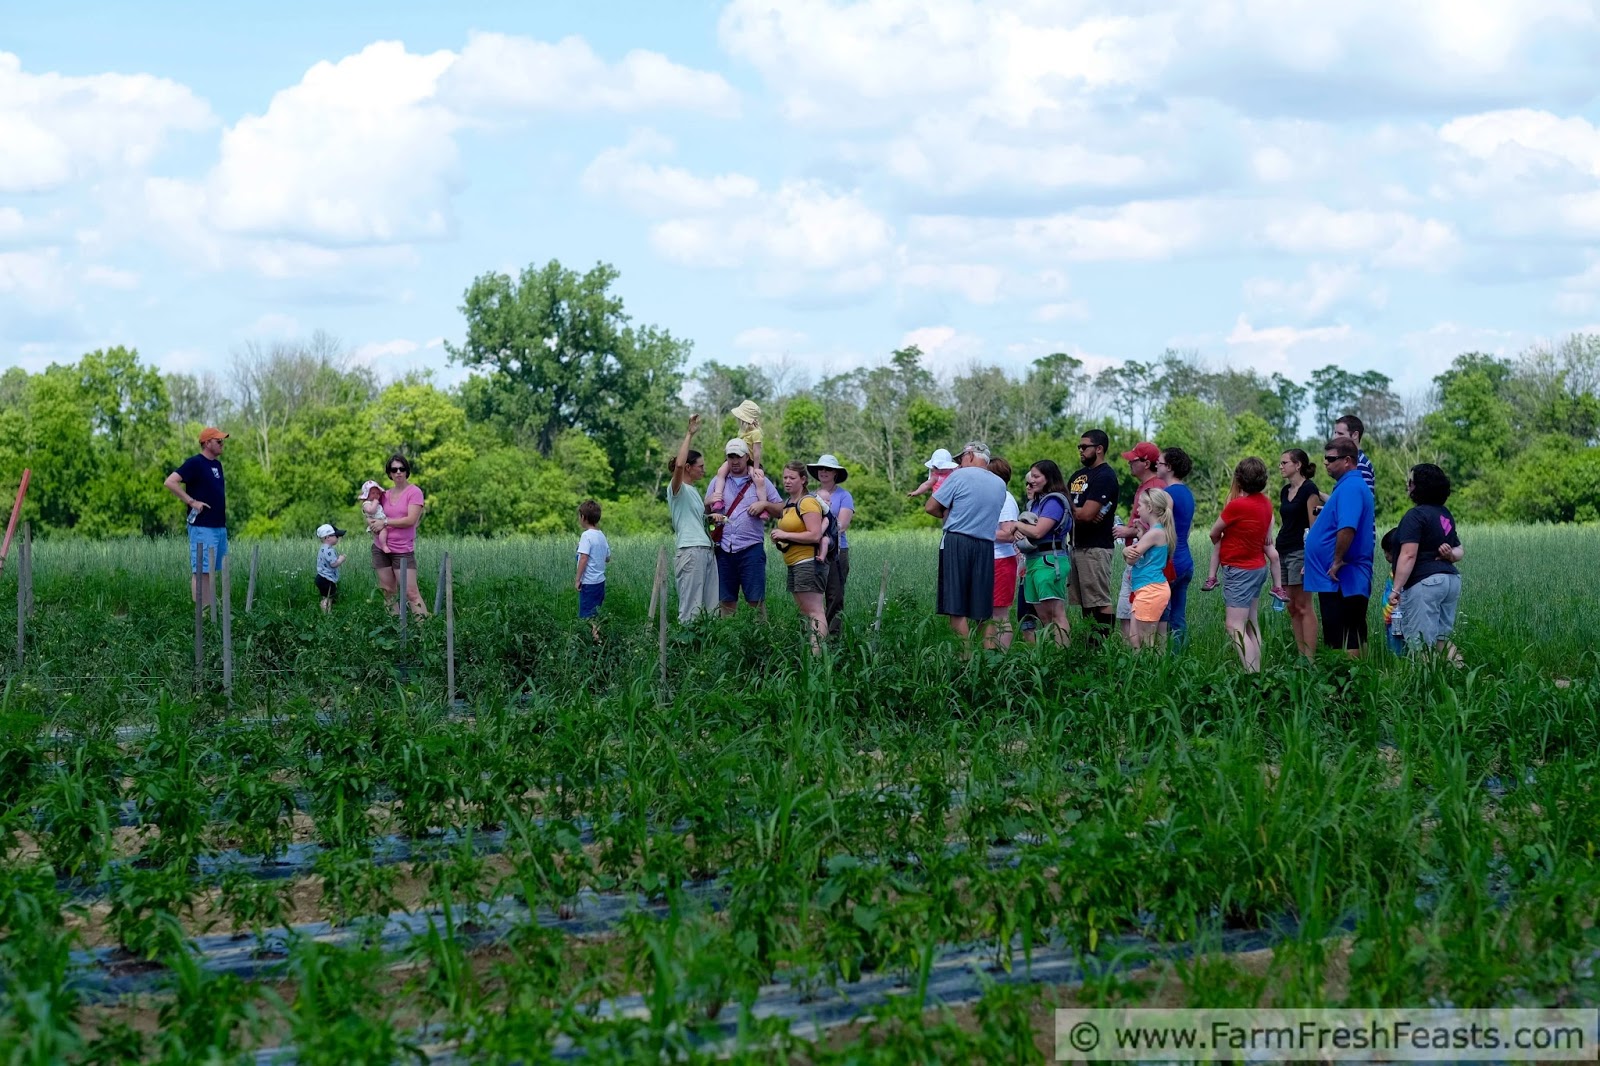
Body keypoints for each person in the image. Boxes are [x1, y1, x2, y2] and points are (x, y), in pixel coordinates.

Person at [925, 442, 1008, 643]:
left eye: (961, 458)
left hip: (958, 541)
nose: (959, 463)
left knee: (956, 606)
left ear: (970, 455)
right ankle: (988, 659)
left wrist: (947, 514)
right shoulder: (1000, 484)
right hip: (986, 545)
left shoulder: (959, 476)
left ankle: (965, 658)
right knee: (982, 610)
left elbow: (930, 507)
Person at [1203, 457, 1281, 672]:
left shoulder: (1236, 506)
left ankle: (1252, 675)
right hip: (1258, 568)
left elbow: (1213, 532)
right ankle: (1258, 671)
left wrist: (1220, 541)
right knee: (1250, 622)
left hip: (1240, 571)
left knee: (1234, 625)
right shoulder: (1265, 503)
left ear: (1239, 478)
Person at [1304, 437, 1376, 656]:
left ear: (1347, 460)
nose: (1325, 463)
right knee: (1350, 632)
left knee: (1346, 637)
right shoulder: (1346, 486)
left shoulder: (1351, 488)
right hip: (1338, 578)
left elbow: (1347, 528)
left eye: (1330, 458)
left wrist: (1336, 561)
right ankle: (1353, 683)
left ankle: (1348, 687)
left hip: (1343, 577)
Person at [1389, 463, 1465, 662]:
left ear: (1419, 487)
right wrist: (1449, 556)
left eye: (1411, 482)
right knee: (1441, 639)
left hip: (1425, 583)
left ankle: (1422, 688)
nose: (1408, 485)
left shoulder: (1415, 516)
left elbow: (1408, 555)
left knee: (1420, 643)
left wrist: (1395, 590)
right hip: (1450, 580)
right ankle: (1462, 680)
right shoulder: (1445, 515)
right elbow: (1460, 551)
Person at [708, 437, 777, 619]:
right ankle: (729, 639)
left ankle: (759, 638)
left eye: (738, 456)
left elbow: (781, 509)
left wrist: (763, 505)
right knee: (726, 600)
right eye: (731, 457)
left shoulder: (760, 480)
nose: (735, 461)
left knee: (756, 600)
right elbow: (705, 509)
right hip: (723, 549)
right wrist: (711, 509)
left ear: (747, 457)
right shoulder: (717, 481)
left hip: (751, 548)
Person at [767, 461, 830, 652]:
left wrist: (785, 535)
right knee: (805, 611)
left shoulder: (808, 502)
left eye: (792, 478)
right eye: (785, 477)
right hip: (794, 562)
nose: (787, 481)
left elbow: (815, 534)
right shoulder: (788, 504)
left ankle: (818, 658)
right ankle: (811, 653)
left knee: (815, 611)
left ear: (803, 480)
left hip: (808, 562)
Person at [163, 426, 229, 609]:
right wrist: (191, 501)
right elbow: (170, 481)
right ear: (207, 443)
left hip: (219, 526)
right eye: (219, 441)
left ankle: (211, 610)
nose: (222, 444)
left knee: (213, 570)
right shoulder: (195, 463)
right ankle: (203, 613)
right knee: (201, 570)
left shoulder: (217, 465)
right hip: (202, 526)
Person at [1066, 429, 1120, 646]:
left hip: (1096, 548)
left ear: (1099, 449)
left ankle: (1103, 646)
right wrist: (1076, 512)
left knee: (1099, 599)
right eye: (1079, 446)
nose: (1080, 450)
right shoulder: (1077, 476)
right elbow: (1070, 510)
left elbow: (1087, 514)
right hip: (1077, 545)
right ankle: (1090, 644)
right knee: (1085, 602)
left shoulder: (1105, 476)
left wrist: (1076, 512)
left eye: (1084, 446)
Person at [1111, 442, 1170, 639]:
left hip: (1147, 578)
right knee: (1134, 622)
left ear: (1146, 463)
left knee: (1135, 627)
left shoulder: (1154, 488)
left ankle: (1136, 663)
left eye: (1133, 459)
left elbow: (1132, 555)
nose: (1128, 462)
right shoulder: (1147, 487)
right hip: (1144, 576)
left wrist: (1127, 534)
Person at [1014, 459, 1072, 646]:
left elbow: (1039, 531)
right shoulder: (1036, 502)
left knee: (1056, 614)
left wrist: (1016, 524)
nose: (1032, 481)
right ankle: (1052, 655)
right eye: (1031, 476)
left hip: (1049, 561)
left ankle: (1064, 656)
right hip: (1033, 560)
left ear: (1049, 478)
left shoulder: (1054, 501)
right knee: (1045, 617)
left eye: (1036, 476)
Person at [668, 415, 718, 624]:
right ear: (689, 467)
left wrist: (711, 517)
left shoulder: (694, 493)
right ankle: (684, 651)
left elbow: (695, 520)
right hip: (690, 551)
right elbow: (678, 466)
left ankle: (704, 651)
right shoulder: (676, 488)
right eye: (700, 466)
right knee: (690, 610)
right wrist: (689, 434)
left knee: (711, 609)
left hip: (706, 550)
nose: (703, 470)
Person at [1276, 449, 1324, 659]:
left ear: (1297, 465)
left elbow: (1314, 527)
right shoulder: (1285, 490)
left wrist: (1309, 558)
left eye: (1284, 462)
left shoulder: (1309, 490)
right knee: (1292, 607)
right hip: (1283, 550)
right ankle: (1300, 654)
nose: (1281, 466)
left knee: (1304, 605)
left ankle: (1310, 659)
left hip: (1299, 550)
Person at [372, 454, 429, 617]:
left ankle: (425, 634)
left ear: (406, 471)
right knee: (388, 591)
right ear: (389, 473)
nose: (398, 472)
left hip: (402, 549)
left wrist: (385, 522)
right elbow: (374, 512)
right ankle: (395, 630)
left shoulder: (414, 492)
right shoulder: (384, 495)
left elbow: (411, 520)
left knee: (411, 593)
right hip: (380, 548)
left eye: (401, 469)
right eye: (394, 469)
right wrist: (372, 522)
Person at [1123, 487, 1175, 652]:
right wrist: (1141, 535)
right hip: (1146, 588)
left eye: (1140, 506)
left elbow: (1132, 558)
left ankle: (1149, 672)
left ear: (1150, 508)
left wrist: (1125, 550)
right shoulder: (1154, 532)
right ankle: (1140, 672)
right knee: (1135, 636)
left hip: (1151, 589)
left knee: (1145, 639)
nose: (1137, 510)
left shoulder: (1154, 534)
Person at [808, 454, 854, 635]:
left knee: (835, 596)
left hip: (836, 550)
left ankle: (834, 638)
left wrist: (822, 530)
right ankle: (816, 635)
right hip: (813, 550)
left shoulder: (844, 496)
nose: (824, 472)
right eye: (821, 468)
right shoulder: (811, 496)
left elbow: (843, 524)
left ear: (835, 473)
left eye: (828, 469)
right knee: (814, 594)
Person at [1155, 447, 1196, 649]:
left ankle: (1160, 661)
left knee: (1161, 616)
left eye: (1159, 462)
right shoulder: (1187, 493)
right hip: (1186, 561)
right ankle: (1178, 660)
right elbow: (1186, 531)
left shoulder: (1167, 494)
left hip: (1170, 562)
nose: (1156, 464)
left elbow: (1162, 529)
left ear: (1169, 467)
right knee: (1178, 617)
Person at [984, 458, 1021, 650]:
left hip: (1001, 560)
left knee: (999, 613)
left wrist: (979, 531)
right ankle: (990, 653)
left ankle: (1001, 656)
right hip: (991, 559)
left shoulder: (1005, 499)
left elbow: (1008, 534)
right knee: (988, 613)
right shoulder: (992, 497)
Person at [706, 400, 764, 505]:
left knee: (758, 480)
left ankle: (762, 503)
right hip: (739, 456)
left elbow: (756, 452)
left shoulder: (756, 433)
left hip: (749, 460)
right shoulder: (741, 431)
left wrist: (756, 468)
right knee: (721, 471)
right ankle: (718, 498)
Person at [575, 499, 609, 642]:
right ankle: (598, 639)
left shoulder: (586, 536)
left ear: (583, 517)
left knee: (587, 616)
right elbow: (607, 557)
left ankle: (596, 643)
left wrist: (577, 579)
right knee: (596, 614)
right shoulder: (601, 536)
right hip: (600, 582)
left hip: (588, 582)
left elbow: (583, 558)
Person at [1333, 414, 1377, 497]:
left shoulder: (1360, 464)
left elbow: (1363, 501)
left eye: (1340, 434)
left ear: (1355, 435)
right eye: (1335, 433)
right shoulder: (1354, 461)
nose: (1335, 437)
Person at [314, 523, 347, 613]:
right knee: (329, 598)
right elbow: (333, 564)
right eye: (336, 536)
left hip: (320, 577)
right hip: (326, 579)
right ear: (328, 537)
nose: (338, 538)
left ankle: (324, 612)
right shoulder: (329, 550)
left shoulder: (323, 548)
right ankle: (327, 615)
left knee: (325, 596)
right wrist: (341, 559)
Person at [358, 480, 390, 554]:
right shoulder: (366, 503)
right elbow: (371, 511)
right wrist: (375, 503)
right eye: (373, 493)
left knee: (383, 533)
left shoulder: (376, 503)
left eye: (377, 493)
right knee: (383, 531)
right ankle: (383, 545)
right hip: (374, 522)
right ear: (367, 495)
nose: (376, 495)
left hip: (381, 521)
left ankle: (381, 545)